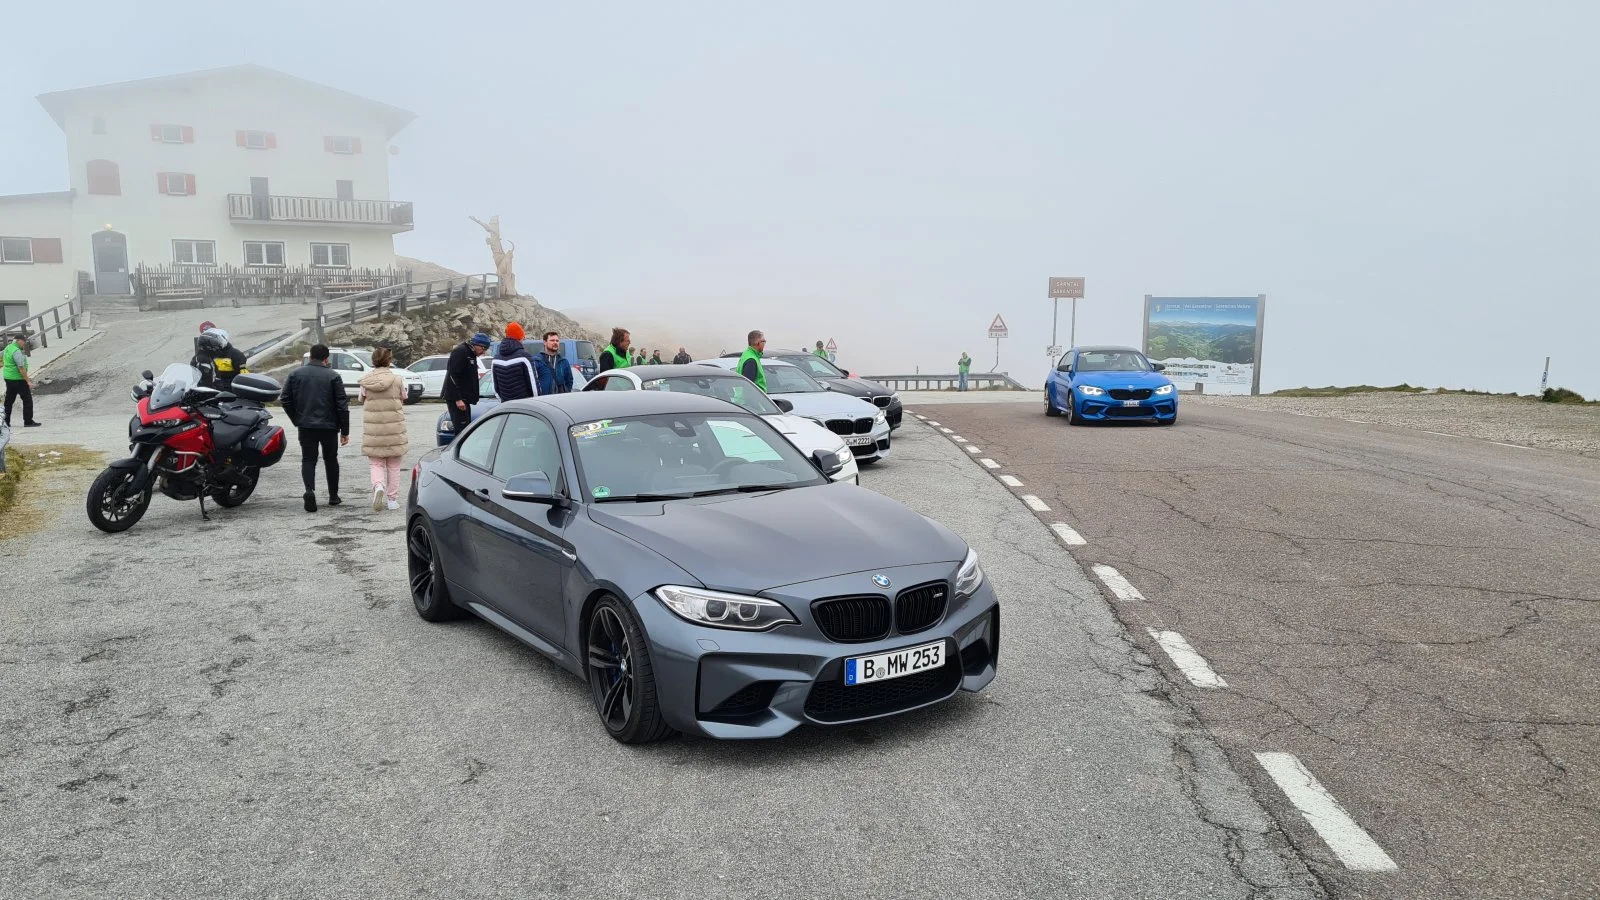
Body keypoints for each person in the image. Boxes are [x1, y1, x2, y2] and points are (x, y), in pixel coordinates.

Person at [281, 344, 350, 512]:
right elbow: (342, 405)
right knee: (331, 459)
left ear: (311, 356)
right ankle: (333, 496)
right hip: (329, 426)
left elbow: (285, 399)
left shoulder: (295, 374)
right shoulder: (333, 376)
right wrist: (344, 430)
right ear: (326, 359)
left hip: (305, 425)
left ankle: (309, 490)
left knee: (308, 459)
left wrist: (296, 418)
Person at [358, 347, 409, 512]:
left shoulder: (366, 380)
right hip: (395, 428)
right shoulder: (397, 380)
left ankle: (378, 485)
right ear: (389, 361)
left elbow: (361, 399)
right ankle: (392, 500)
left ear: (373, 361)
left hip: (374, 430)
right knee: (394, 466)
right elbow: (404, 397)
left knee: (376, 463)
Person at [442, 333, 492, 433]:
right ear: (476, 344)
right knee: (461, 430)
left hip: (465, 399)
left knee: (466, 429)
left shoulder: (471, 354)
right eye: (483, 348)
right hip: (458, 400)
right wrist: (458, 399)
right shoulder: (461, 352)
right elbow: (452, 375)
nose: (483, 352)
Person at [491, 322, 539, 401]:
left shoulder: (495, 359)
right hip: (525, 405)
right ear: (520, 338)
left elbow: (495, 389)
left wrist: (503, 403)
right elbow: (534, 388)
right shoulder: (525, 357)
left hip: (506, 406)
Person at [191, 327, 249, 391]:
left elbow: (244, 376)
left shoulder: (236, 354)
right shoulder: (203, 359)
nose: (216, 348)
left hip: (230, 388)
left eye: (217, 344)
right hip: (214, 389)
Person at [3, 334, 40, 428]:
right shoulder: (16, 351)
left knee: (9, 401)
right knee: (27, 400)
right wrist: (28, 381)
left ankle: (5, 422)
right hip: (18, 379)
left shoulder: (8, 347)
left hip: (8, 377)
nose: (24, 343)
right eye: (23, 341)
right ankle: (28, 421)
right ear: (19, 340)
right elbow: (21, 368)